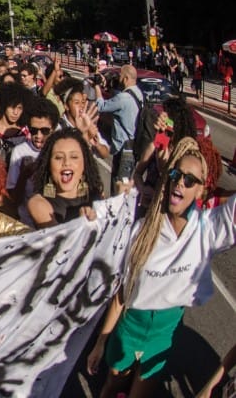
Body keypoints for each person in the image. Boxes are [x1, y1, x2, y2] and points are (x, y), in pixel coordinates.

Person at [86, 138, 235, 398]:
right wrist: (101, 340)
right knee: (111, 386)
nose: (180, 183)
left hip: (162, 337)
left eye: (190, 180)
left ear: (200, 191)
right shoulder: (142, 232)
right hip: (129, 329)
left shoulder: (206, 231)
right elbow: (122, 294)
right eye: (176, 175)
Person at [27, 128, 104, 228]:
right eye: (59, 157)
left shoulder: (96, 193)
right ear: (48, 164)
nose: (66, 162)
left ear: (85, 163)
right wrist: (80, 224)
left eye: (74, 157)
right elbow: (59, 237)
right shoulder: (38, 203)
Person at [94, 65, 143, 194]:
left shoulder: (123, 98)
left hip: (123, 150)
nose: (118, 79)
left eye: (120, 76)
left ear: (126, 78)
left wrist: (97, 87)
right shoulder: (139, 94)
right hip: (133, 147)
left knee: (118, 188)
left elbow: (101, 106)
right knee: (126, 186)